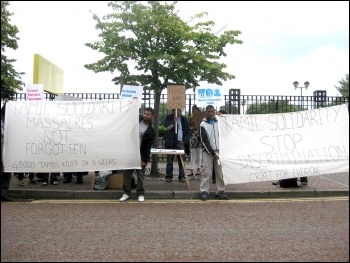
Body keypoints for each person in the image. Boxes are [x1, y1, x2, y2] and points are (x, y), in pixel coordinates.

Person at [119, 107, 156, 202]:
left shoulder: (151, 131)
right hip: (131, 152)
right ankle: (126, 193)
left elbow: (148, 147)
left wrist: (144, 159)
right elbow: (131, 112)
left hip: (141, 154)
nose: (145, 115)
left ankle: (140, 193)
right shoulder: (136, 121)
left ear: (152, 116)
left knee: (140, 176)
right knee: (127, 174)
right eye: (145, 113)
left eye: (148, 114)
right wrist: (134, 101)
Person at [199, 105, 228, 201]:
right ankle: (204, 191)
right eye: (208, 111)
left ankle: (221, 190)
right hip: (208, 152)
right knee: (206, 172)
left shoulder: (218, 123)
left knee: (219, 173)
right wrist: (212, 153)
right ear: (205, 112)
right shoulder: (202, 125)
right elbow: (204, 141)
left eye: (212, 111)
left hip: (219, 151)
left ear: (214, 112)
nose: (210, 113)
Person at [164, 108, 191, 182]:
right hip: (171, 143)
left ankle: (181, 176)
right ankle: (169, 176)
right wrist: (174, 122)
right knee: (170, 160)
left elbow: (188, 132)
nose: (176, 111)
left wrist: (184, 141)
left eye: (178, 110)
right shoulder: (169, 117)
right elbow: (167, 127)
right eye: (174, 110)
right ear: (172, 111)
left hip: (181, 143)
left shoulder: (184, 119)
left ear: (180, 111)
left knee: (181, 161)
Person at [212, 109, 228, 184]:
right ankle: (214, 177)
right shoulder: (214, 123)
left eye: (219, 114)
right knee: (216, 162)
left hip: (224, 146)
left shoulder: (227, 124)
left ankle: (223, 176)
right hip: (217, 146)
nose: (217, 116)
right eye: (217, 114)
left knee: (223, 163)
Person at [1, 100, 12, 201]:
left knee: (7, 174)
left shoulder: (8, 124)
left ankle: (3, 194)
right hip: (2, 156)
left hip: (7, 155)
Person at [188, 105, 202, 180]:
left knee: (199, 153)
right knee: (193, 153)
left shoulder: (201, 117)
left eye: (194, 109)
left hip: (199, 136)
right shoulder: (190, 118)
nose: (193, 110)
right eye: (192, 109)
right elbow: (188, 126)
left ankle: (198, 168)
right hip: (193, 136)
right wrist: (192, 128)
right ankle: (191, 169)